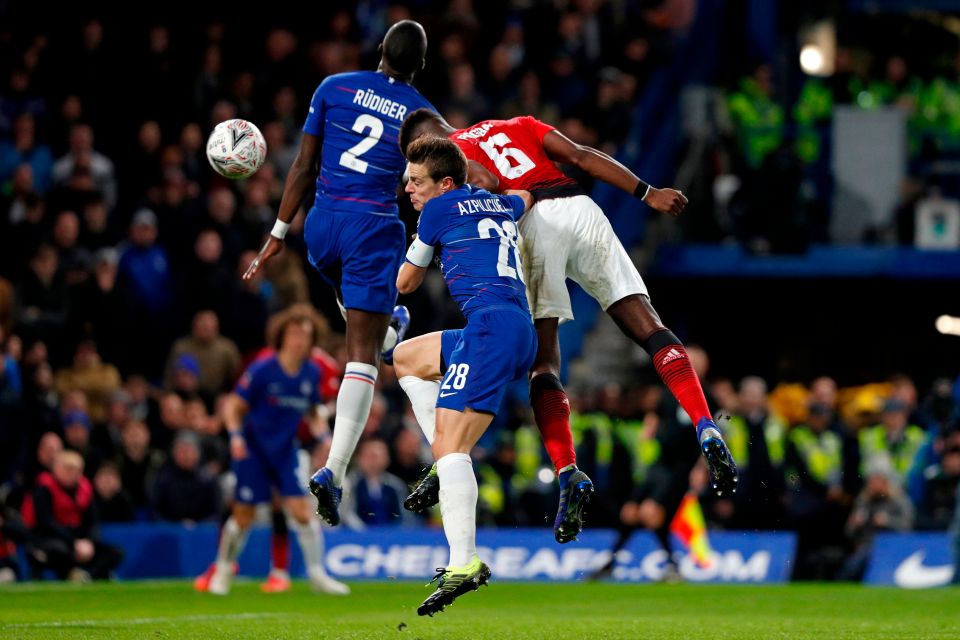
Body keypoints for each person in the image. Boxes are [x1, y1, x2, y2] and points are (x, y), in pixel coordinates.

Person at [398, 110, 739, 542]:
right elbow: (581, 155)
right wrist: (647, 192)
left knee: (544, 365)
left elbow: (480, 181)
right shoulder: (514, 124)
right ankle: (705, 423)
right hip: (581, 208)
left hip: (534, 227)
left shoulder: (455, 161)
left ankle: (567, 471)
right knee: (649, 327)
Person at [240, 21, 440, 526]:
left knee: (367, 312)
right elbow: (449, 165)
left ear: (379, 51)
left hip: (320, 229)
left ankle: (387, 318)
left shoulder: (333, 87)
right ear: (420, 66)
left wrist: (278, 233)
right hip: (371, 229)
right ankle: (333, 470)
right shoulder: (420, 114)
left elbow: (302, 167)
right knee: (364, 356)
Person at [391, 136, 537, 615]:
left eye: (416, 181)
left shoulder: (437, 210)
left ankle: (464, 562)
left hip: (490, 330)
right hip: (514, 329)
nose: (408, 188)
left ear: (446, 183)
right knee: (407, 358)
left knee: (451, 448)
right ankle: (444, 467)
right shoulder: (498, 203)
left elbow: (406, 284)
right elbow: (525, 197)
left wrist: (419, 238)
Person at [203, 306, 347, 596]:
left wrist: (324, 437)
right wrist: (234, 436)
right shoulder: (263, 368)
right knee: (243, 515)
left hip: (285, 451)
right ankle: (222, 569)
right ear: (282, 336)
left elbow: (312, 413)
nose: (299, 341)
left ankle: (317, 574)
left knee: (302, 512)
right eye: (294, 334)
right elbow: (234, 406)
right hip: (254, 450)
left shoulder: (311, 372)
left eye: (305, 336)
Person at [22, 450, 123, 581]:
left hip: (80, 540)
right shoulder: (44, 488)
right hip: (51, 539)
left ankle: (87, 575)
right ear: (56, 469)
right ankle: (76, 573)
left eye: (76, 469)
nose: (72, 473)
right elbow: (46, 522)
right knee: (59, 551)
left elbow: (93, 522)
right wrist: (73, 542)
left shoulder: (85, 490)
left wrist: (89, 542)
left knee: (115, 553)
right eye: (67, 468)